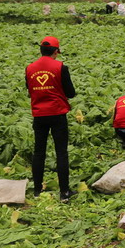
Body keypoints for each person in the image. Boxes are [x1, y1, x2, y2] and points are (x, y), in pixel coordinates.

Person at [26, 36, 77, 201]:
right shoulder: (61, 67)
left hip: (39, 114)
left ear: (40, 50)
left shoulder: (30, 68)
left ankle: (37, 190)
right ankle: (64, 192)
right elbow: (70, 92)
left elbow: (30, 89)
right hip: (57, 113)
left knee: (39, 152)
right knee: (61, 152)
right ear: (56, 52)